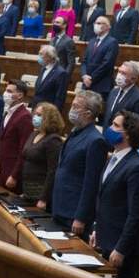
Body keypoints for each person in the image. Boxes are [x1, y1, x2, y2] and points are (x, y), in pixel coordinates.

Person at [89, 112, 139, 278]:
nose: (109, 129)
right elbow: (105, 199)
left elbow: (137, 215)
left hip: (127, 248)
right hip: (108, 238)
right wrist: (96, 229)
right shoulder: (114, 158)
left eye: (116, 126)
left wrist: (121, 248)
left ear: (128, 134)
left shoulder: (137, 168)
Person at [41, 91, 107, 235]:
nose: (71, 109)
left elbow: (91, 183)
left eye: (76, 106)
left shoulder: (96, 141)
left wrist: (81, 217)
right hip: (59, 206)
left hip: (73, 214)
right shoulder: (75, 132)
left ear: (88, 114)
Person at [0, 80, 34, 191]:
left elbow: (23, 150)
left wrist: (14, 175)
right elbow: (2, 143)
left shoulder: (24, 117)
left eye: (9, 91)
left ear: (20, 95)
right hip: (2, 170)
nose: (5, 94)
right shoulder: (8, 112)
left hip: (12, 174)